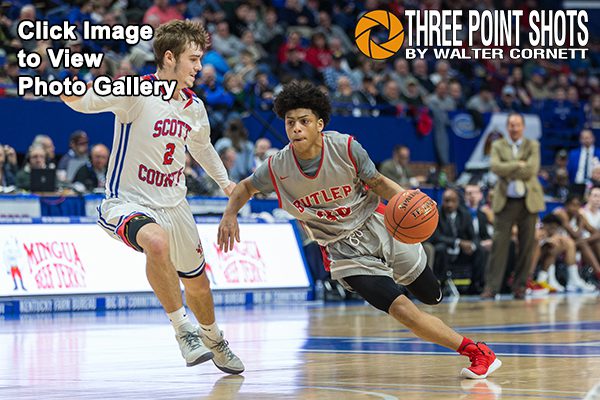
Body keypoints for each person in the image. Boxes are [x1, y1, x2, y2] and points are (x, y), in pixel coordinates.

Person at [217, 81, 501, 379]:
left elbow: (378, 182)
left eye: (304, 121)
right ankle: (477, 352)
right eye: (290, 123)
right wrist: (229, 214)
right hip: (343, 250)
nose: (296, 129)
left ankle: (406, 277)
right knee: (403, 311)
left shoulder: (345, 148)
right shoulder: (277, 166)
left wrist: (409, 201)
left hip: (378, 224)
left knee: (431, 296)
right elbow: (246, 187)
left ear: (319, 124)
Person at [60, 20, 244, 374]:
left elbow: (202, 149)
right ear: (170, 58)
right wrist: (71, 91)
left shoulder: (193, 107)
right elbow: (86, 102)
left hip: (176, 204)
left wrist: (227, 186)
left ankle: (213, 337)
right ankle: (182, 331)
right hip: (127, 201)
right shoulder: (135, 92)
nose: (199, 67)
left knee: (199, 286)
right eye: (193, 59)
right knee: (155, 241)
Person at [481, 113, 546, 299]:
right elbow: (495, 167)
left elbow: (532, 169)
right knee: (499, 245)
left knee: (527, 245)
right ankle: (491, 287)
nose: (514, 128)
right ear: (507, 127)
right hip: (505, 201)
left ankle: (520, 286)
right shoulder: (498, 145)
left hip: (528, 202)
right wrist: (518, 164)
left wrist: (508, 168)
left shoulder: (533, 145)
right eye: (511, 125)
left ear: (523, 127)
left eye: (517, 125)